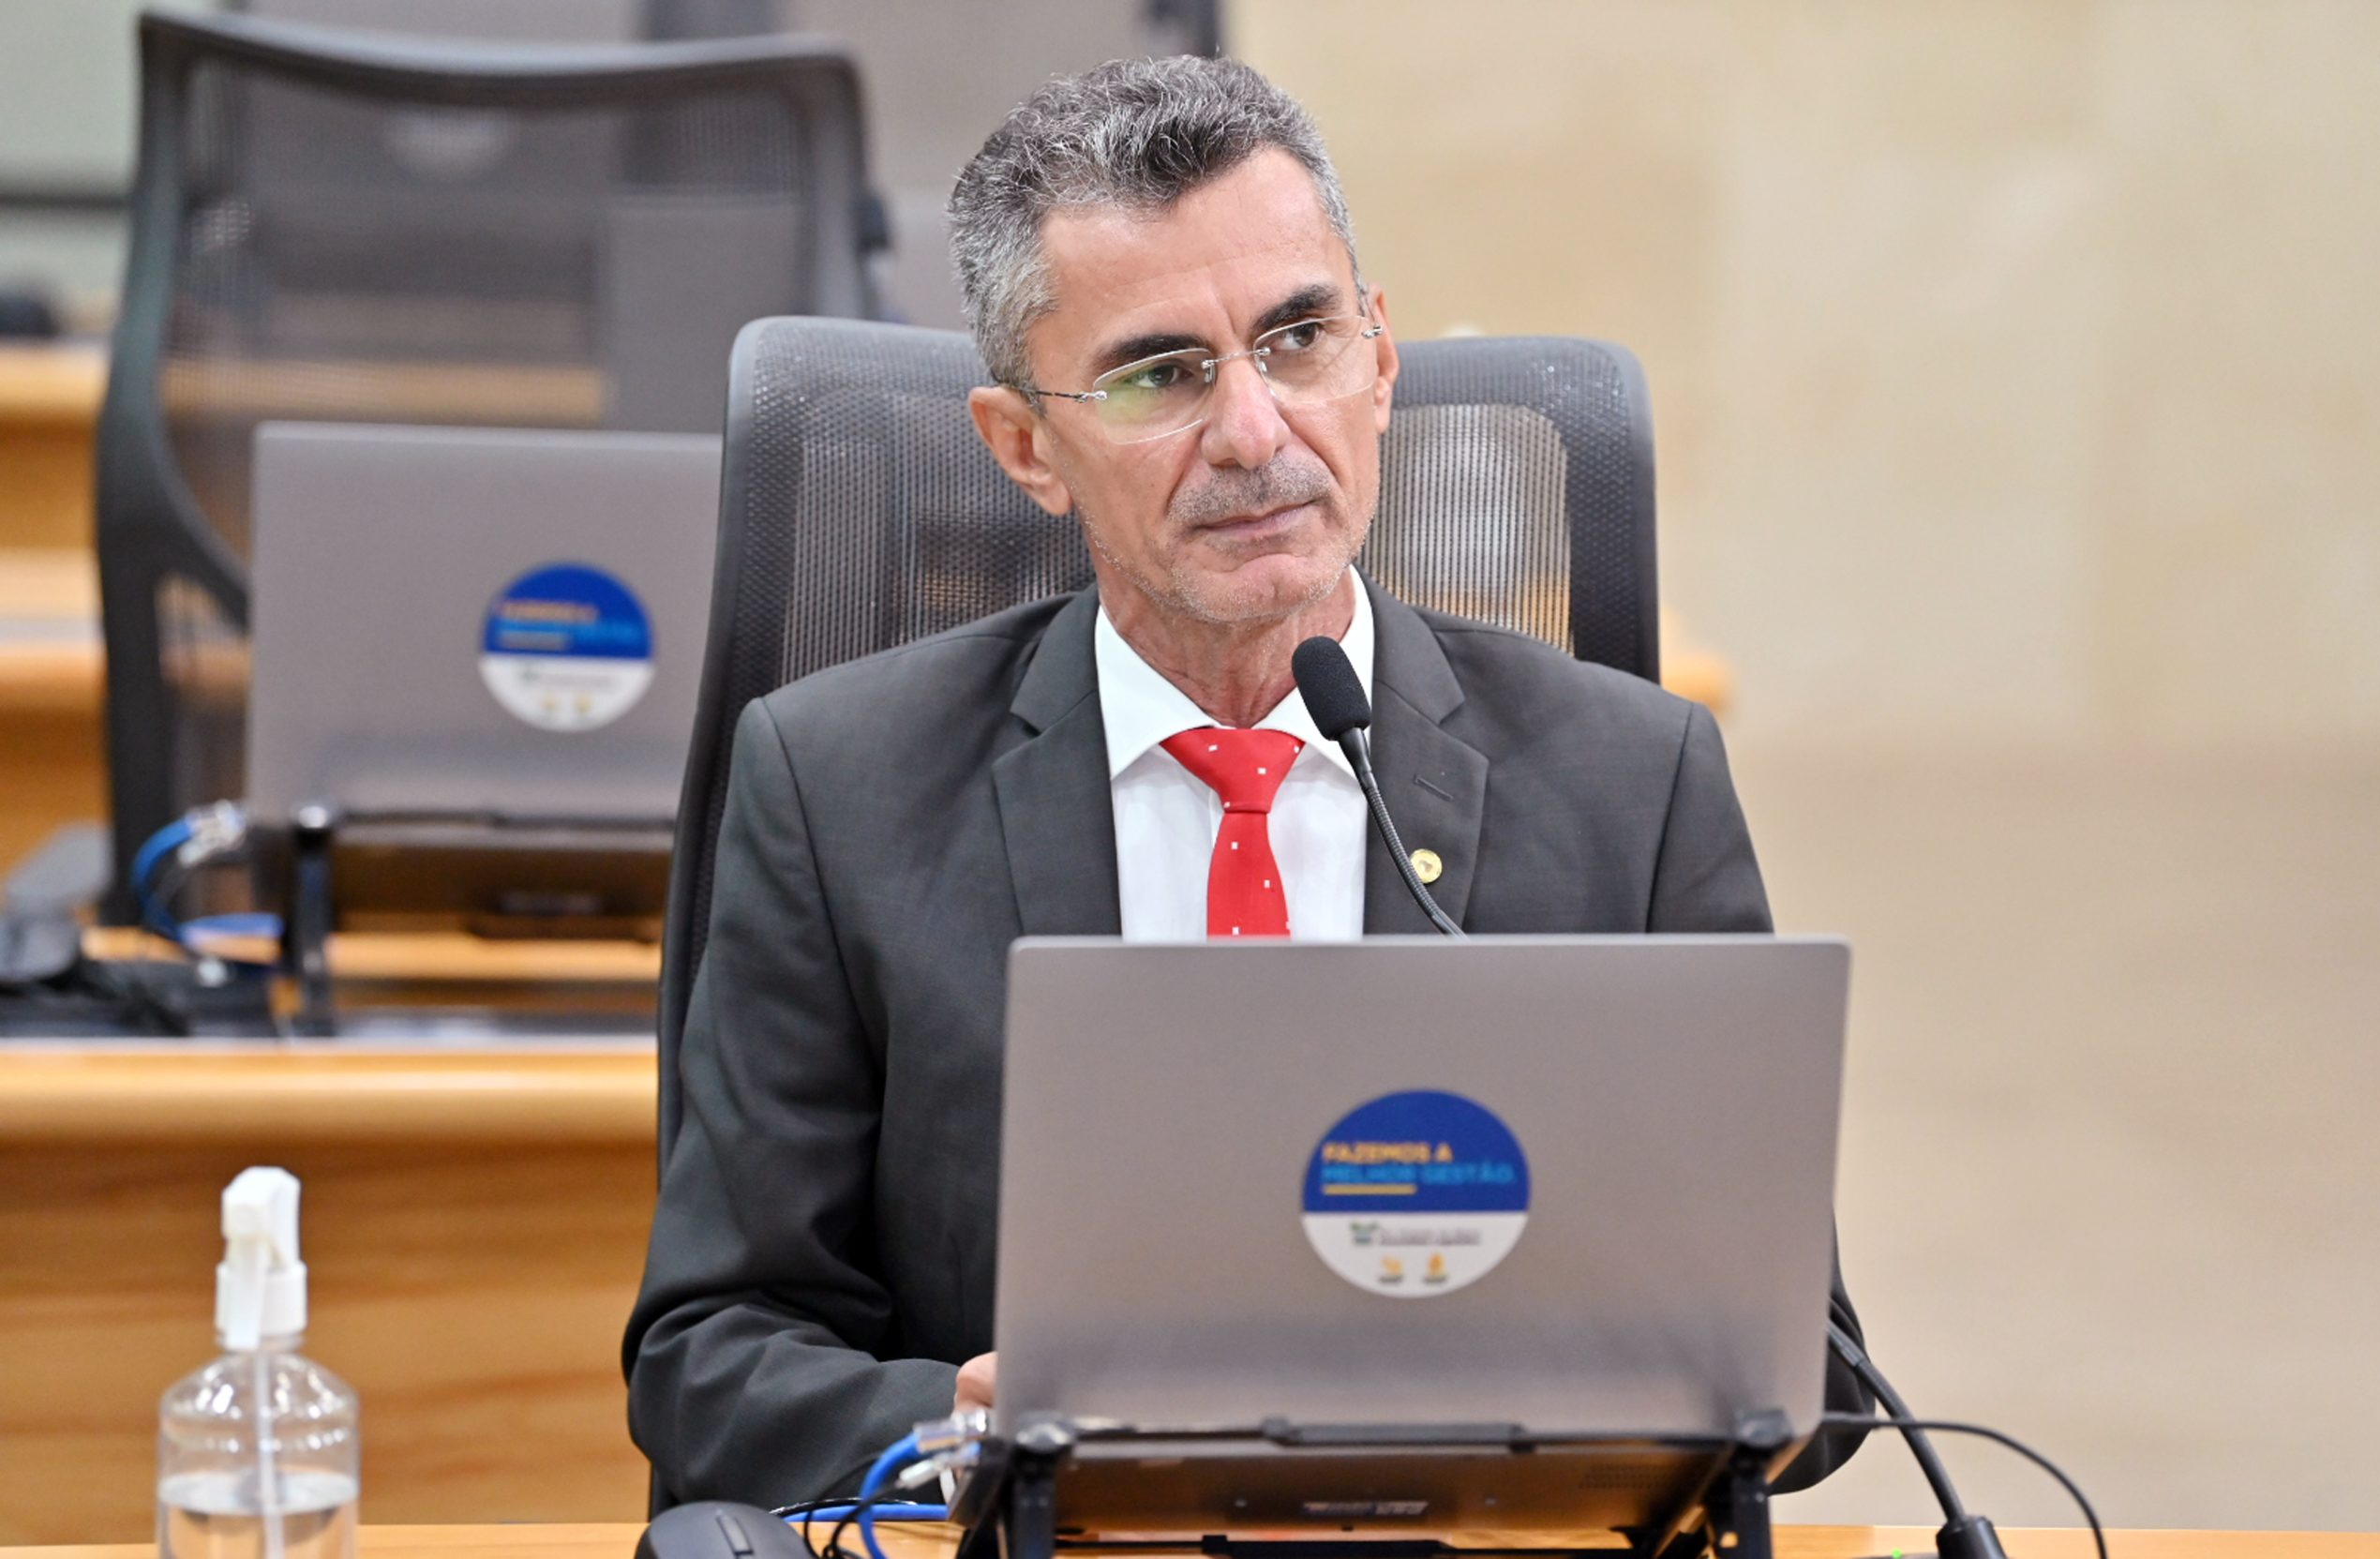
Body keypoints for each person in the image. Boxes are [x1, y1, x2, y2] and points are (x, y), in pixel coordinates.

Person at [624, 53, 1869, 1506]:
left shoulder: (1632, 784)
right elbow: (710, 1353)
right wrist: (959, 1433)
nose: (1256, 434)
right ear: (1026, 447)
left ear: (1380, 362)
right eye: (1160, 374)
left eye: (1299, 339)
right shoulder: (839, 788)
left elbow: (1808, 1373)